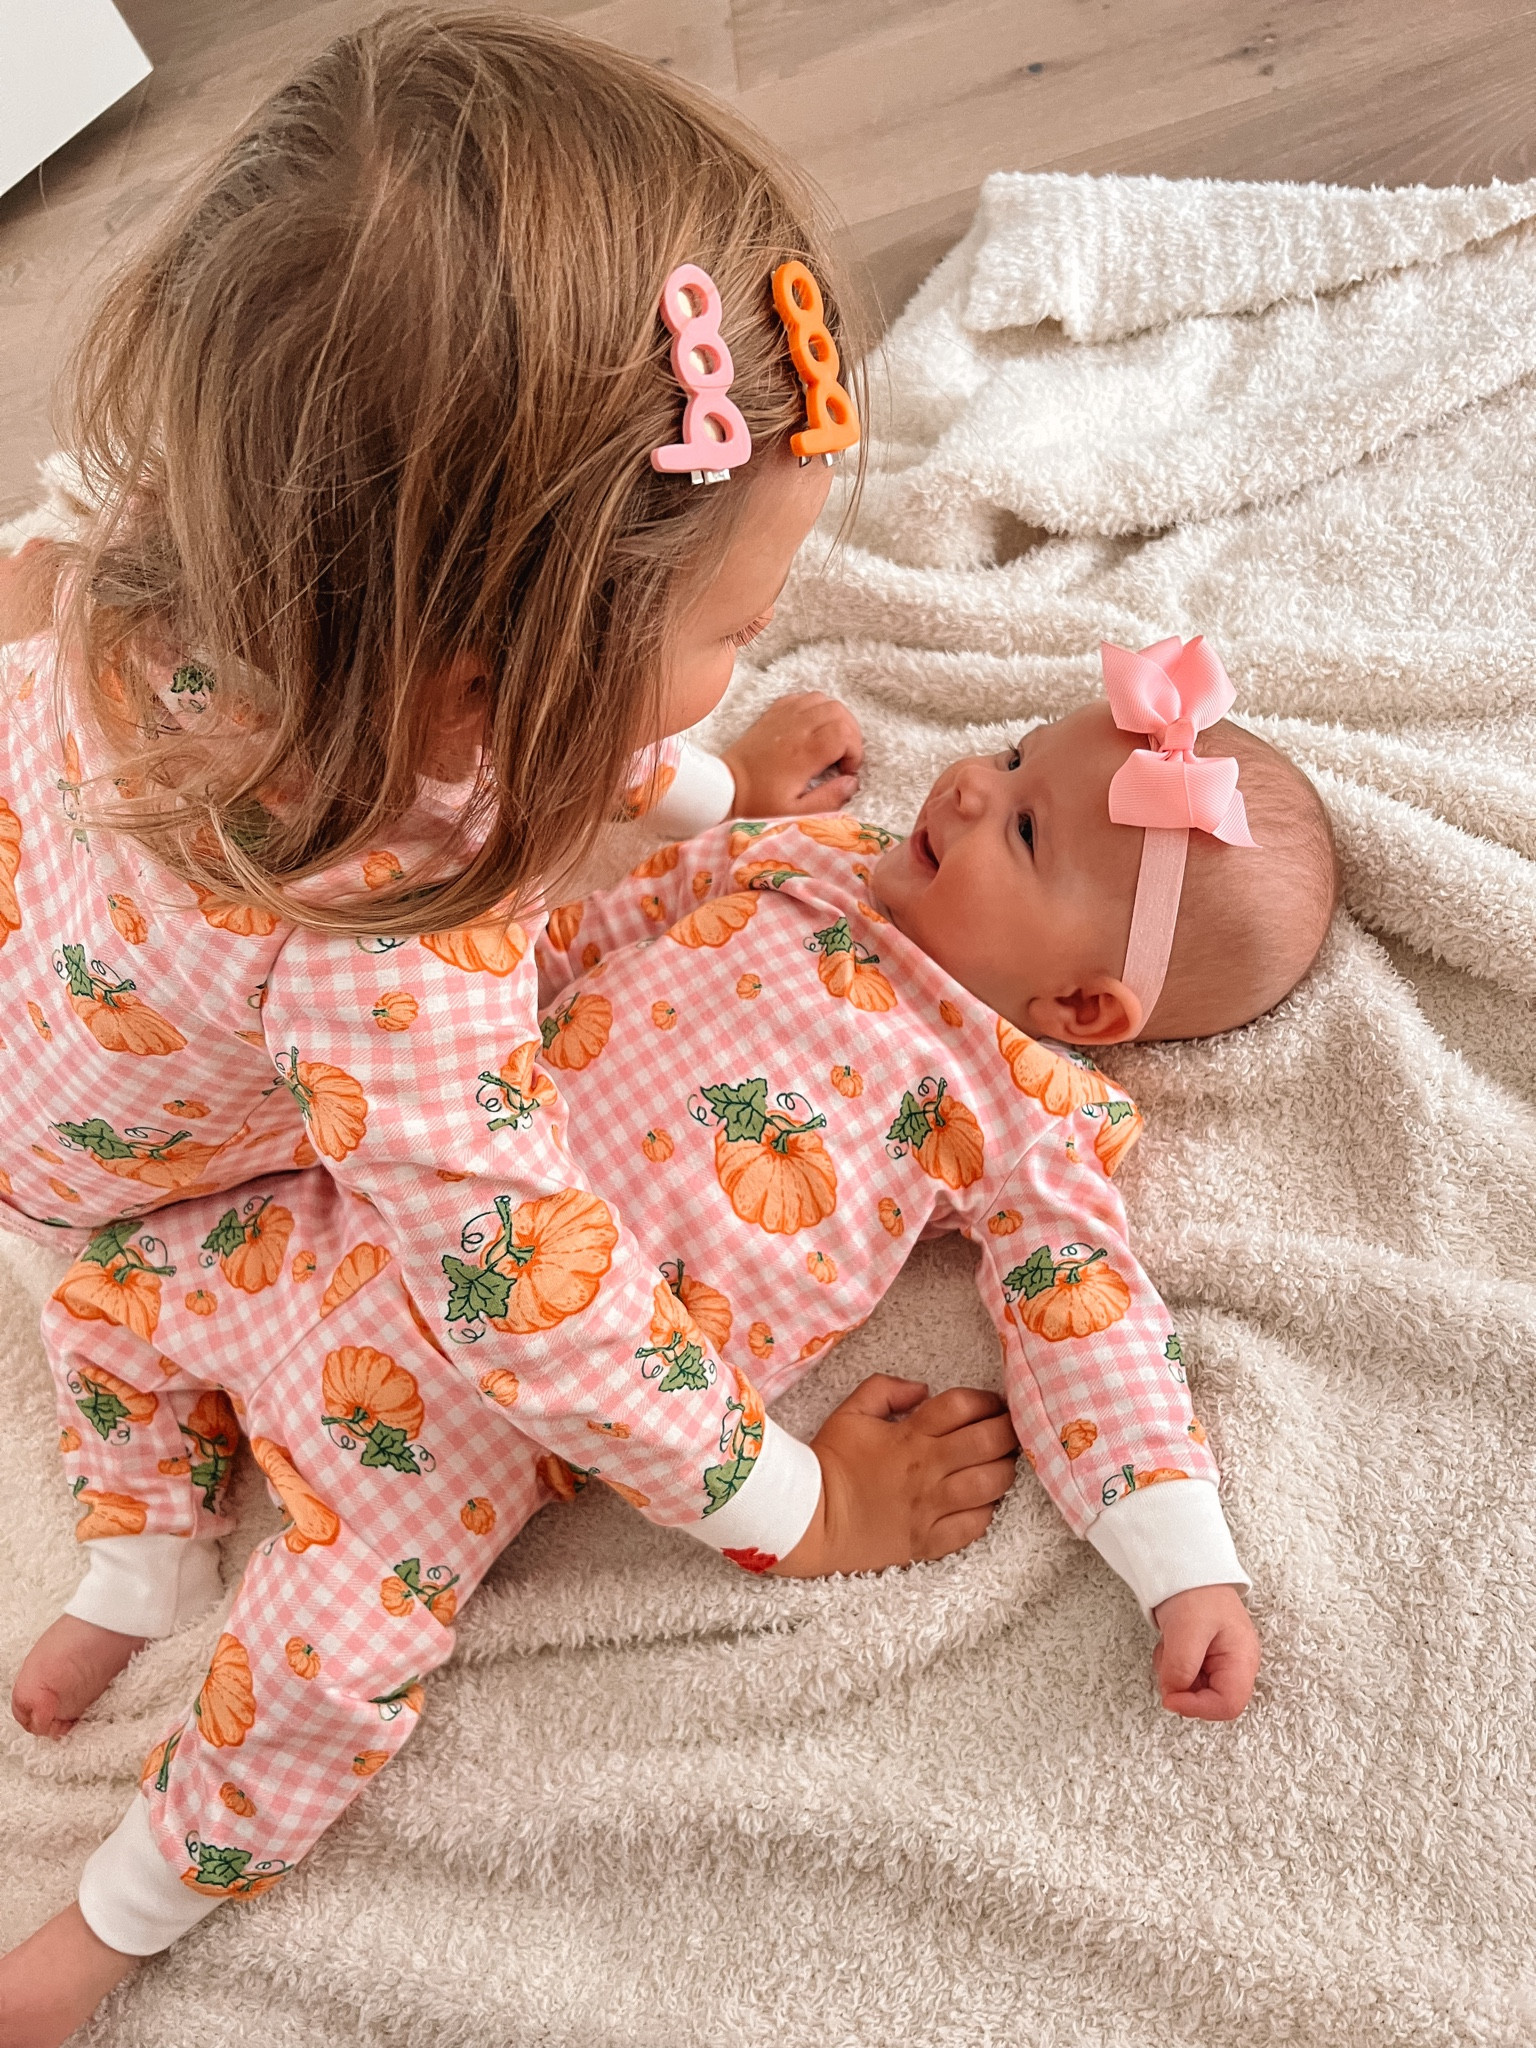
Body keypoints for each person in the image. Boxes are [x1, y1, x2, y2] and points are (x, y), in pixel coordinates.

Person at [0, 14, 1019, 2043]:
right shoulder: (388, 950)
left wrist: (708, 782)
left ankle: (131, 1539)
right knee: (377, 1569)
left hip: (64, 937)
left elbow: (529, 731)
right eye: (730, 628)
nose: (750, 652)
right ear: (489, 684)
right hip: (116, 1188)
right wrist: (789, 1504)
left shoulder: (195, 544)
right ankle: (108, 1921)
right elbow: (536, 1300)